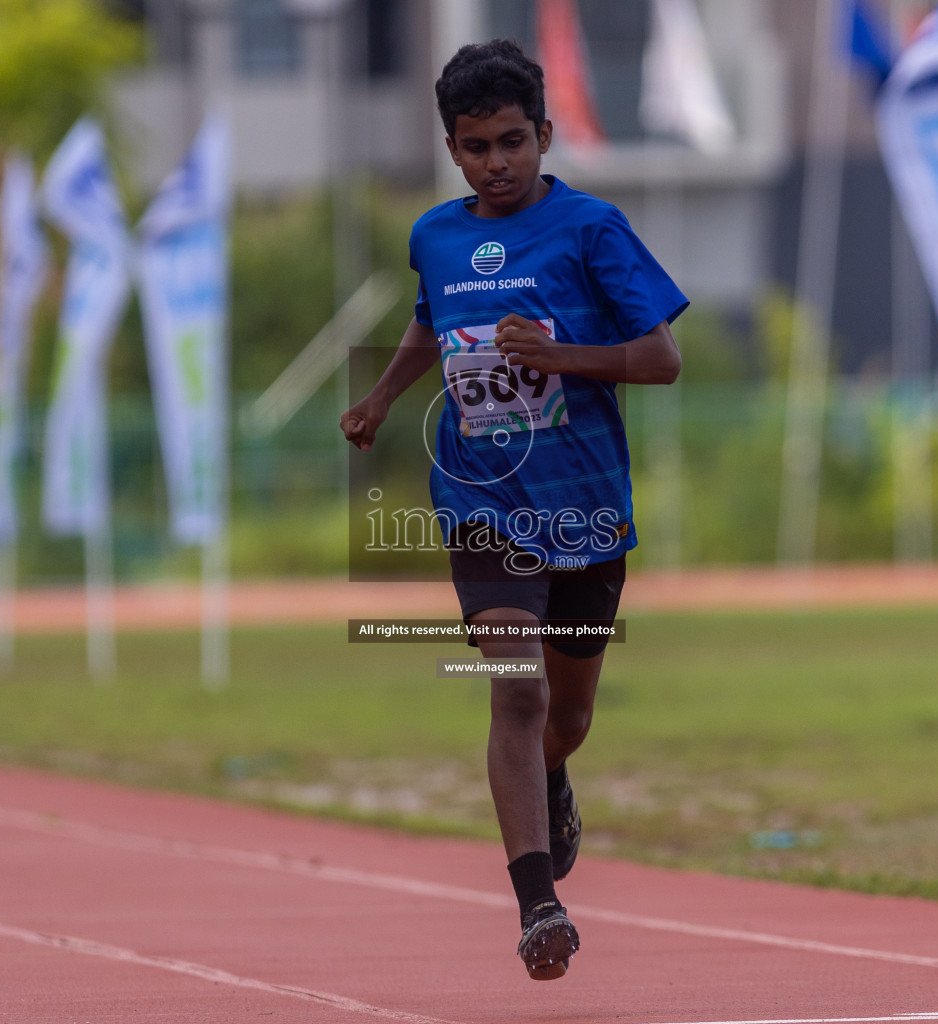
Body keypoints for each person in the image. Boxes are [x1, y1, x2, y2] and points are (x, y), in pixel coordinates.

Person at [341, 39, 686, 981]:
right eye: (472, 147)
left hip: (582, 510)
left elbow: (660, 360)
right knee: (517, 687)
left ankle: (555, 777)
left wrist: (558, 356)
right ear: (450, 148)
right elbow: (430, 316)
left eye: (509, 142)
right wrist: (380, 397)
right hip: (479, 497)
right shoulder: (436, 236)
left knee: (564, 718)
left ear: (541, 133)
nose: (493, 164)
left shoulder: (591, 228)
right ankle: (538, 905)